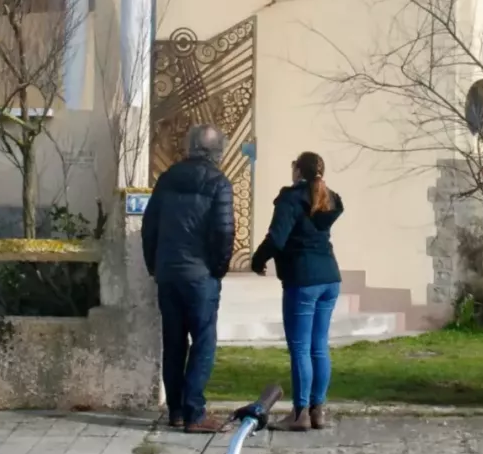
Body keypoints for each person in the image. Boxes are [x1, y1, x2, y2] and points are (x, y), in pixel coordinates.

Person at [140, 124, 235, 434]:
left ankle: (177, 411)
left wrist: (154, 265)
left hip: (168, 272)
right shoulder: (219, 183)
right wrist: (219, 268)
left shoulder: (167, 179)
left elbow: (149, 225)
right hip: (200, 275)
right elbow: (223, 231)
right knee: (204, 340)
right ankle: (195, 412)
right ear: (216, 151)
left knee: (174, 342)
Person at [251, 151, 344, 432]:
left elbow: (277, 238)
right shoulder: (330, 198)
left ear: (298, 171)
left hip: (303, 279)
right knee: (319, 345)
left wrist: (257, 260)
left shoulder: (291, 199)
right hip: (330, 277)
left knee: (301, 347)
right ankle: (319, 410)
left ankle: (299, 413)